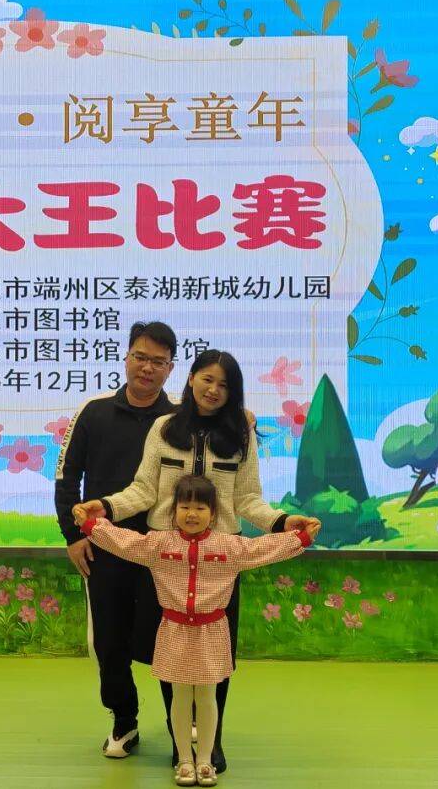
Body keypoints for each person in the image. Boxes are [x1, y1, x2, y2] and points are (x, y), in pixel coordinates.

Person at [72, 349, 320, 772]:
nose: (214, 390)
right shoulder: (163, 427)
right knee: (171, 653)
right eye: (207, 379)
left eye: (224, 385)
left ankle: (211, 743)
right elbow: (143, 490)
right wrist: (106, 507)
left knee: (215, 655)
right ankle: (180, 745)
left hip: (220, 558)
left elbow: (247, 498)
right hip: (167, 555)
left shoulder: (241, 435)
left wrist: (283, 522)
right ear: (190, 379)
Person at [74, 475, 316, 786]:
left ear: (213, 514)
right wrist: (90, 525)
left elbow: (263, 547)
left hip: (212, 631)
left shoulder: (230, 546)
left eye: (200, 508)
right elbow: (123, 541)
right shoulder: (157, 544)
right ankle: (184, 761)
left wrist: (301, 538)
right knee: (178, 697)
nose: (192, 514)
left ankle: (204, 760)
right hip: (173, 630)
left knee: (207, 697)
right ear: (172, 511)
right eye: (184, 507)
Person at [55, 321, 180, 759]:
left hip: (165, 549)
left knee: (171, 639)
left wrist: (244, 416)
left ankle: (180, 727)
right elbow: (66, 477)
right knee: (109, 642)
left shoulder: (180, 418)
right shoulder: (93, 412)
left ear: (170, 368)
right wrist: (73, 536)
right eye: (140, 357)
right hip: (105, 546)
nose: (147, 368)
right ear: (126, 357)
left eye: (158, 362)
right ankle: (124, 721)